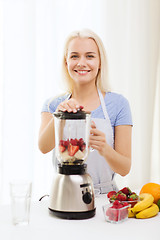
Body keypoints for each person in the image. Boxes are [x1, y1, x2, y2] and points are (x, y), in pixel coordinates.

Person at [38, 29, 132, 193]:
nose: (81, 62)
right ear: (66, 62)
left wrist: (104, 148)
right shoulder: (52, 105)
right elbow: (43, 147)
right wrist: (59, 115)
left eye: (90, 56)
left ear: (100, 62)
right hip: (65, 193)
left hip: (105, 196)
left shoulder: (119, 104)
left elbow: (125, 168)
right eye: (74, 56)